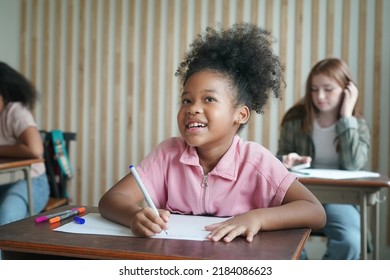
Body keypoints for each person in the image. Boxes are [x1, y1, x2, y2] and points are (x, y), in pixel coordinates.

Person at [99, 23, 326, 243]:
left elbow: (315, 212)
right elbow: (111, 200)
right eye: (186, 100)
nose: (193, 108)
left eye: (209, 99)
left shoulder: (256, 161)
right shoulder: (167, 154)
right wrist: (134, 217)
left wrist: (257, 218)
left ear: (241, 115)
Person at [277, 58, 370, 259]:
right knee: (286, 241)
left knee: (350, 240)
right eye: (314, 89)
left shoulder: (357, 125)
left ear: (347, 90)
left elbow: (354, 165)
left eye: (328, 89)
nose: (319, 96)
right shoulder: (295, 119)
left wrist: (346, 116)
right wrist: (288, 160)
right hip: (301, 195)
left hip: (341, 199)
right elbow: (280, 165)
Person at [0, 61, 50, 226]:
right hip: (3, 180)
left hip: (31, 182)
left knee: (6, 217)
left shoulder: (15, 111)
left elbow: (35, 150)